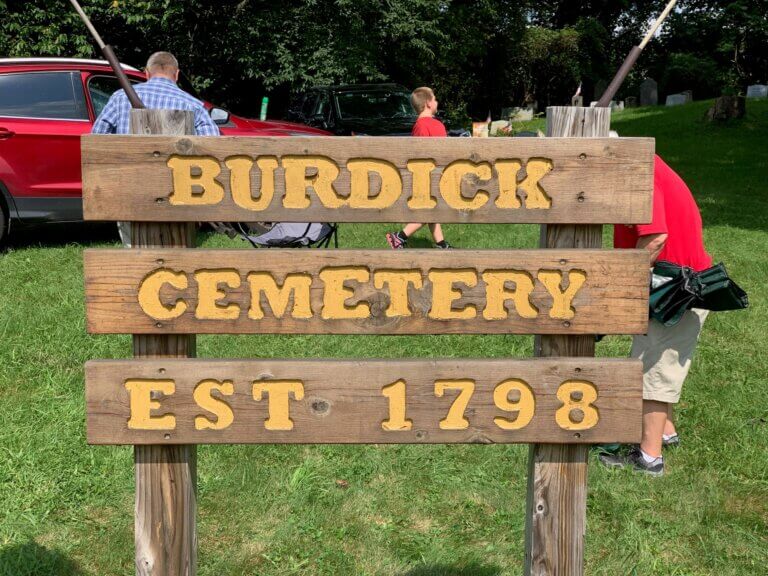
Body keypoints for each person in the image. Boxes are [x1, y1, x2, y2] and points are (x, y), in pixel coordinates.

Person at [599, 154, 712, 477]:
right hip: (681, 282)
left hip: (675, 289)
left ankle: (649, 458)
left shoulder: (637, 172)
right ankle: (665, 431)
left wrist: (621, 284)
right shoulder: (645, 165)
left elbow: (655, 238)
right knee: (662, 357)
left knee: (652, 366)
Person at [92, 51, 220, 246]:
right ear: (177, 74)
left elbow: (97, 140)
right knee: (178, 252)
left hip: (130, 194)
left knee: (135, 250)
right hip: (179, 196)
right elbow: (213, 149)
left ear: (146, 72)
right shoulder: (194, 105)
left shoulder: (119, 98)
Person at [386, 86, 451, 249]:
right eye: (435, 99)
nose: (437, 102)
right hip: (433, 175)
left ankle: (441, 244)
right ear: (428, 103)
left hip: (425, 174)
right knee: (429, 210)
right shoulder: (435, 125)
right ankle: (399, 237)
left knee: (431, 209)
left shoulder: (419, 125)